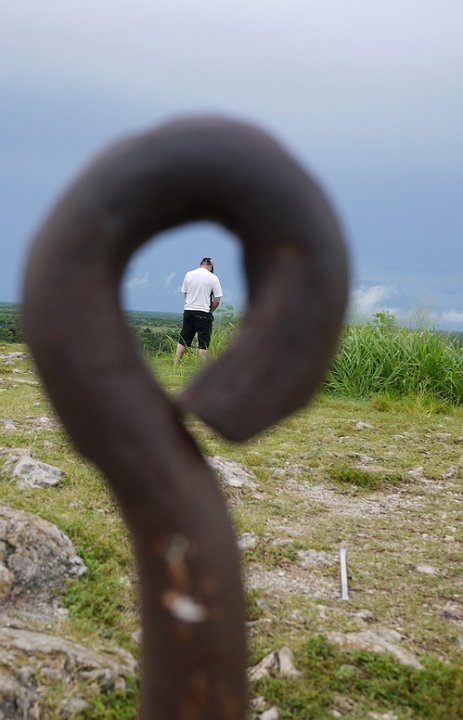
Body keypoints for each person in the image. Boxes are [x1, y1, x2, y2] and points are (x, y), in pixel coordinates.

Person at [174, 257, 223, 365]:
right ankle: (201, 368)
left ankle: (175, 365)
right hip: (203, 312)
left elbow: (185, 293)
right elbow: (217, 300)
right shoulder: (213, 278)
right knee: (203, 343)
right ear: (210, 266)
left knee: (183, 339)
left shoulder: (189, 274)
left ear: (200, 264)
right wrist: (211, 310)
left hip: (188, 311)